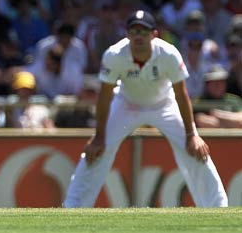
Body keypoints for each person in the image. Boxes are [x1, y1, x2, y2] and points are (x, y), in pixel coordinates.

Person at [64, 10, 228, 207]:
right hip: (126, 104)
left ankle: (217, 206)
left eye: (144, 31)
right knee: (97, 150)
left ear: (154, 34)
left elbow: (182, 95)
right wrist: (99, 137)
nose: (139, 36)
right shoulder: (114, 55)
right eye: (134, 31)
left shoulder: (169, 54)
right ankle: (73, 206)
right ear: (127, 34)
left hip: (164, 105)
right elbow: (105, 97)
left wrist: (192, 134)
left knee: (194, 149)